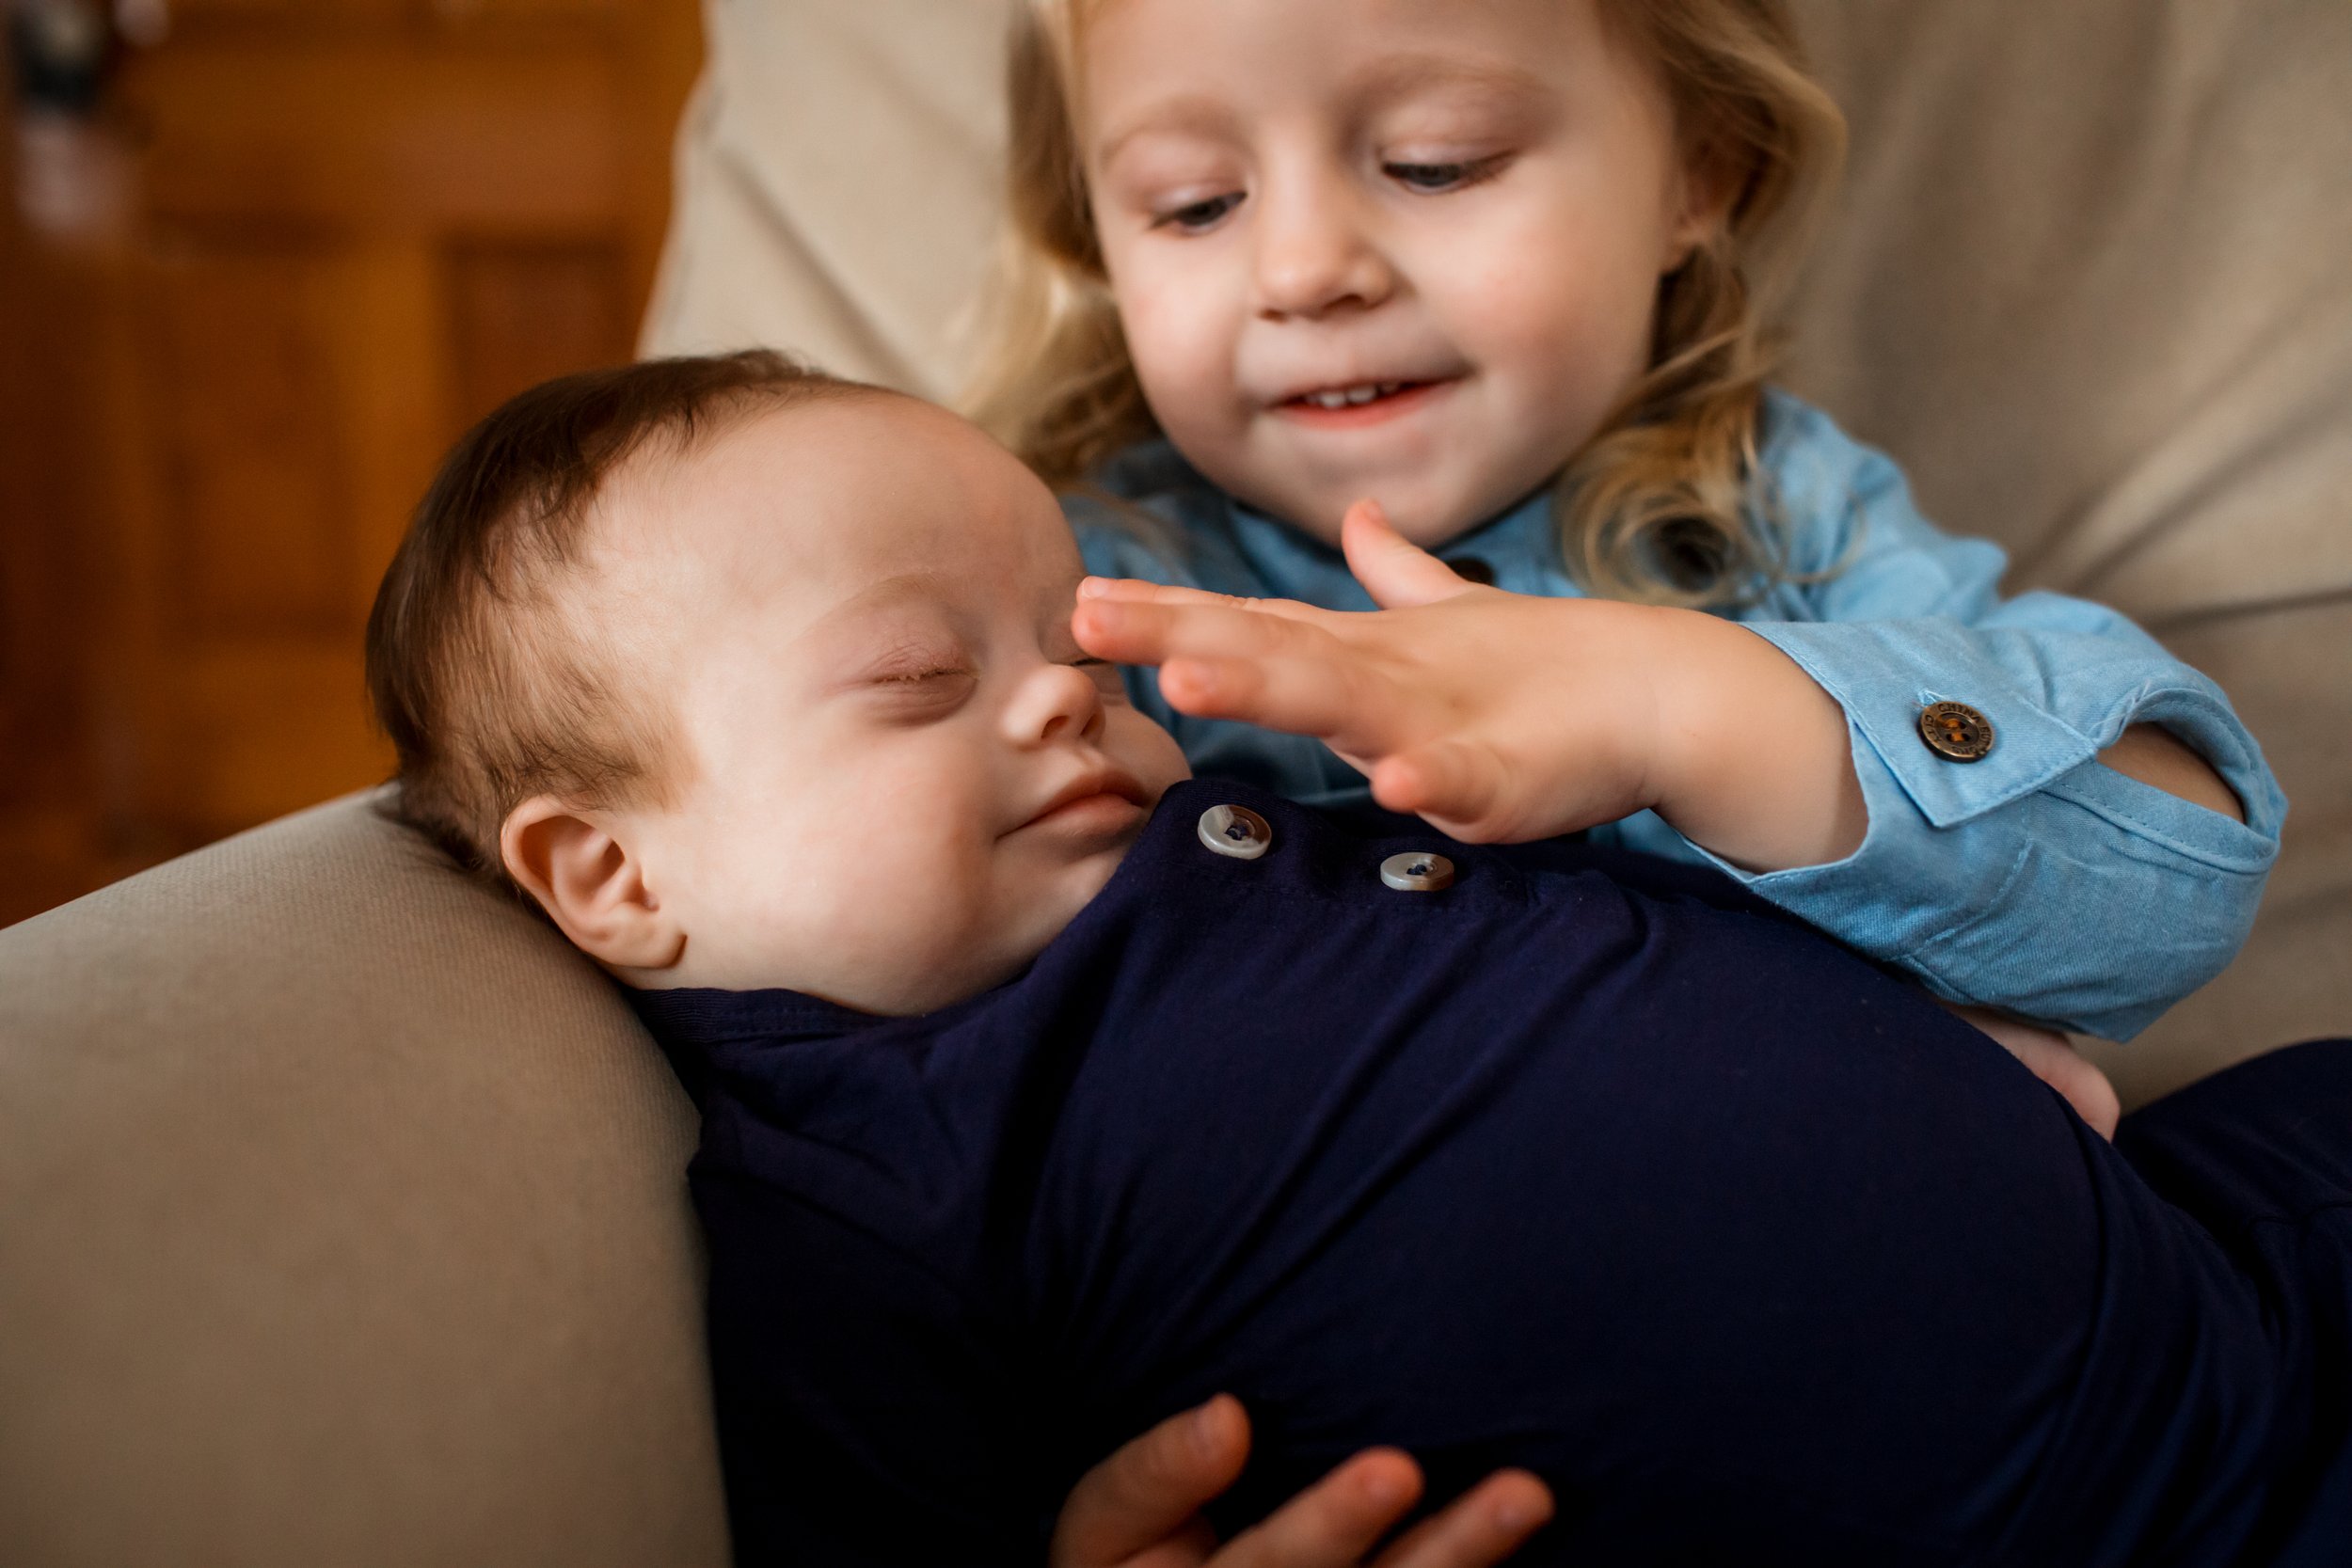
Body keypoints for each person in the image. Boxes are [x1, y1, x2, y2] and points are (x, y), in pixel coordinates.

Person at [366, 354, 2350, 1566]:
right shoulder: (869, 1192)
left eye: (1074, 643)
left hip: (2202, 1283)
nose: (1067, 705)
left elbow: (1622, 938)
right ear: (612, 877)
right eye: (913, 681)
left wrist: (1909, 1025)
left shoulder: (1266, 831)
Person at [965, 0, 2286, 1060]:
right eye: (1196, 202)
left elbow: (2181, 873)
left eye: (1439, 160)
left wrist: (1686, 711)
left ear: (1696, 174)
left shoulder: (1778, 516)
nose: (1307, 271)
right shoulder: (1078, 599)